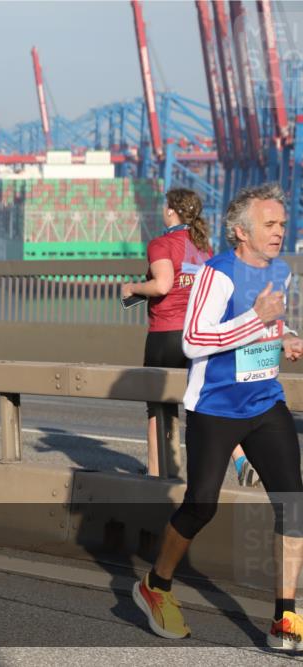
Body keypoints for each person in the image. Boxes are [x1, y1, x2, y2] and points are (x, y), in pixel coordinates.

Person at [132, 183, 303, 652]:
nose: (279, 232)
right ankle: (156, 585)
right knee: (201, 505)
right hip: (215, 408)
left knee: (294, 505)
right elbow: (194, 341)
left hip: (266, 401)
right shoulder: (216, 273)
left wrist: (285, 334)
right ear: (240, 231)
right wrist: (255, 319)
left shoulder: (281, 269)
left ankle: (284, 618)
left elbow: (268, 321)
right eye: (269, 224)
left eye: (282, 224)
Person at [122, 190, 258, 485]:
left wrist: (132, 288)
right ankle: (240, 457)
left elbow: (162, 285)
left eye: (164, 205)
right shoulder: (204, 248)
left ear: (171, 211)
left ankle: (158, 475)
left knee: (159, 406)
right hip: (199, 335)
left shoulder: (161, 244)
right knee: (208, 400)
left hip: (166, 335)